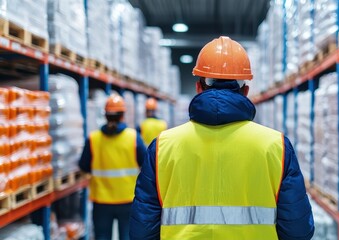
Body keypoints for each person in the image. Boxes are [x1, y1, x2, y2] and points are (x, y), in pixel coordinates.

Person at [130, 36, 314, 240]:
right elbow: (298, 231)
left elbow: (142, 231)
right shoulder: (276, 146)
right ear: (245, 90)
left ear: (199, 87)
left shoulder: (162, 147)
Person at [79, 94, 146, 240]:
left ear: (105, 115)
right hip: (128, 199)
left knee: (102, 236)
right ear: (123, 115)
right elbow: (146, 164)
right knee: (127, 236)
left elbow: (83, 166)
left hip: (101, 201)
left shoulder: (93, 138)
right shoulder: (133, 137)